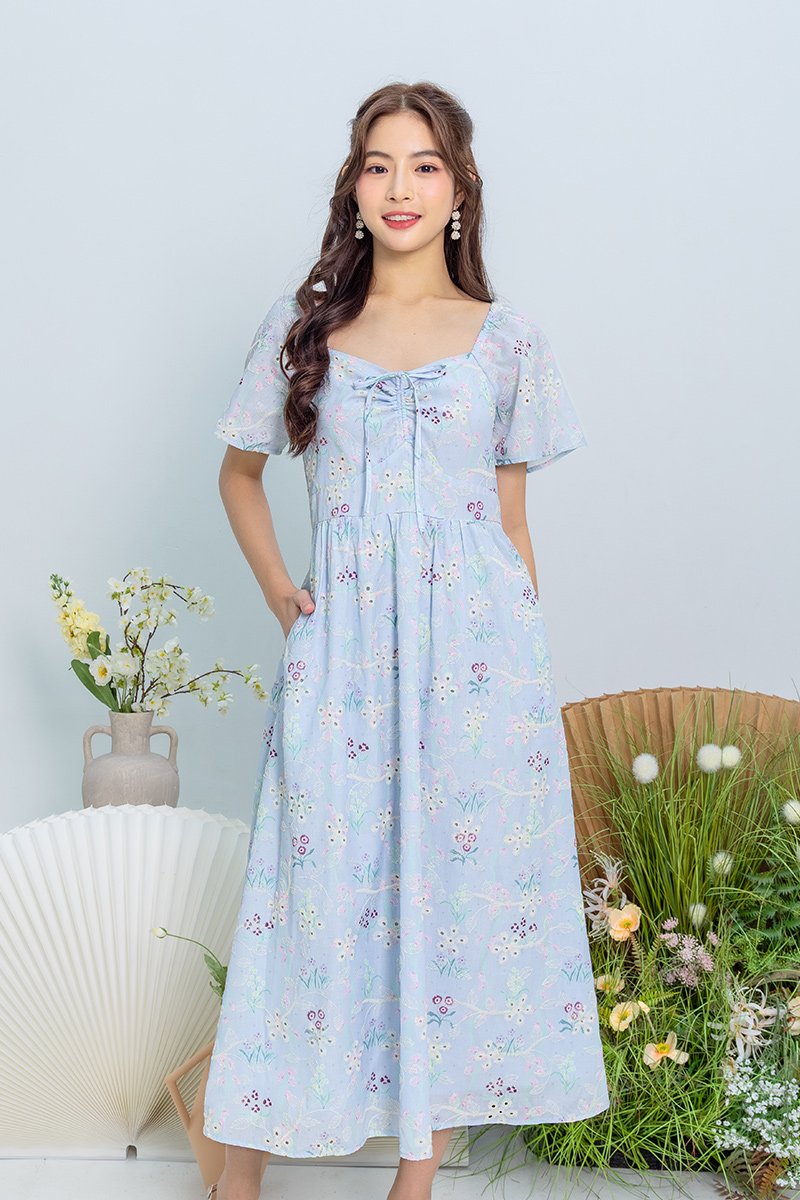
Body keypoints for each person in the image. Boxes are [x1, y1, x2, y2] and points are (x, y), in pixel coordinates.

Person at [202, 80, 610, 1200]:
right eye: (378, 164)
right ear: (353, 187)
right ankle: (240, 1164)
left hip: (477, 663)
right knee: (309, 887)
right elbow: (238, 473)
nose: (400, 187)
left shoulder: (507, 341)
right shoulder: (303, 329)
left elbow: (511, 524)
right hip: (341, 654)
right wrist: (283, 590)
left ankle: (417, 1173)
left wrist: (523, 677)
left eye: (424, 165)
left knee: (449, 892)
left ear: (459, 189)